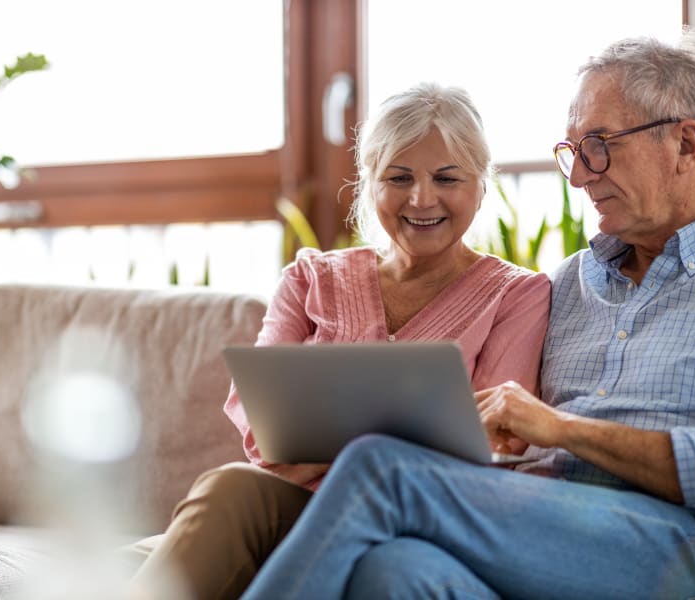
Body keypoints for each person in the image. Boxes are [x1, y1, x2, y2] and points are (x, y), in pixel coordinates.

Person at [241, 29, 695, 600]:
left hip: (681, 541)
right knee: (394, 571)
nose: (577, 175)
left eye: (599, 145)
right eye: (573, 151)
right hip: (535, 522)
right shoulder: (567, 283)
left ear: (687, 144)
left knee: (382, 468)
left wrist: (561, 429)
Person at [129, 82, 550, 599]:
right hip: (298, 509)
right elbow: (266, 434)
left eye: (447, 178)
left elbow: (487, 446)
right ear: (369, 184)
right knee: (233, 485)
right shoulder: (310, 278)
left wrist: (333, 451)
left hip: (413, 524)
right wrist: (384, 444)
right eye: (398, 177)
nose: (422, 198)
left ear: (481, 186)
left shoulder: (517, 294)